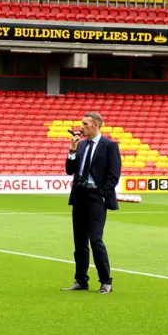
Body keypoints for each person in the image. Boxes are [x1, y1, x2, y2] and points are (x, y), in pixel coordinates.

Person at [62, 112, 121, 294]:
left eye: (85, 124)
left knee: (95, 240)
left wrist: (102, 194)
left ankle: (106, 281)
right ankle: (81, 280)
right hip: (79, 196)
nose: (81, 127)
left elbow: (114, 174)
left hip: (96, 198)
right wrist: (72, 150)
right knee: (79, 242)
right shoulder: (81, 145)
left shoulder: (110, 146)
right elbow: (69, 171)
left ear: (95, 125)